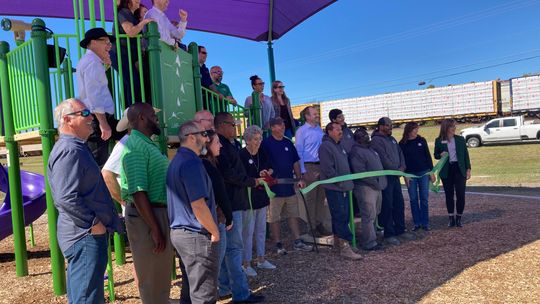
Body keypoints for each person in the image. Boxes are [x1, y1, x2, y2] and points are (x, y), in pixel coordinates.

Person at [48, 98, 122, 303]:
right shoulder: (69, 150)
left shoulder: (76, 148)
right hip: (84, 236)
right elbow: (65, 197)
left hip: (83, 235)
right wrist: (93, 223)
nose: (92, 118)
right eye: (85, 113)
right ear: (67, 120)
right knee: (86, 298)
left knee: (86, 295)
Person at [120, 103, 173, 303]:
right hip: (148, 216)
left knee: (160, 274)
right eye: (153, 115)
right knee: (151, 277)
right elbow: (138, 191)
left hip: (156, 213)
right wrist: (155, 227)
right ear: (142, 118)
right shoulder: (134, 146)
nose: (157, 119)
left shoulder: (147, 144)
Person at [167, 120, 220, 304]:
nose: (207, 139)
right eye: (204, 134)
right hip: (196, 235)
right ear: (191, 137)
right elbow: (198, 204)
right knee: (203, 295)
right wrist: (214, 231)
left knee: (190, 290)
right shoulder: (191, 163)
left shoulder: (177, 161)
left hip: (182, 234)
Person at [215, 112, 265, 303]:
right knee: (234, 249)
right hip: (231, 204)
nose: (236, 127)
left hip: (234, 203)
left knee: (230, 249)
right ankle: (241, 295)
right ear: (221, 125)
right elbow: (229, 174)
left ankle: (226, 287)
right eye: (232, 124)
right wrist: (251, 181)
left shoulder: (229, 144)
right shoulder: (220, 146)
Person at [262, 117, 312, 255]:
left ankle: (297, 241)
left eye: (283, 124)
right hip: (274, 188)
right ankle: (278, 244)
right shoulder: (266, 144)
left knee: (293, 214)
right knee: (274, 217)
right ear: (272, 128)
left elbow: (295, 162)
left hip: (289, 186)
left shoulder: (288, 143)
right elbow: (263, 165)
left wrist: (299, 178)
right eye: (279, 125)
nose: (282, 127)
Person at [77, 27, 123, 167]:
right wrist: (103, 123)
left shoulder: (89, 61)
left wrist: (105, 65)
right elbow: (94, 95)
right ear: (93, 42)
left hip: (94, 116)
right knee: (97, 163)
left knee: (125, 136)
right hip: (97, 118)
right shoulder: (93, 64)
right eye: (106, 42)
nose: (109, 46)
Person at [318, 122, 362, 260]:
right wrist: (340, 182)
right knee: (341, 216)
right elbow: (328, 169)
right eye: (337, 129)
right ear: (329, 131)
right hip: (335, 188)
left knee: (343, 215)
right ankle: (345, 247)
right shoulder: (325, 147)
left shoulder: (339, 146)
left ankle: (339, 243)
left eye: (341, 129)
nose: (340, 131)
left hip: (343, 187)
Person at [371, 117, 414, 246]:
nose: (391, 127)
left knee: (399, 203)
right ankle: (389, 233)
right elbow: (383, 159)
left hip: (396, 176)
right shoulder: (376, 141)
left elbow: (400, 154)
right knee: (387, 205)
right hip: (386, 177)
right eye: (388, 125)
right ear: (381, 126)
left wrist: (402, 168)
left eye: (391, 125)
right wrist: (395, 169)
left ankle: (400, 230)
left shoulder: (392, 139)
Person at [238, 125, 275, 277]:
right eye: (255, 139)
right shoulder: (241, 155)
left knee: (261, 230)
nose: (258, 142)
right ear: (247, 140)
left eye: (259, 138)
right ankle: (246, 263)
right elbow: (241, 177)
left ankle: (261, 259)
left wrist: (267, 172)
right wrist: (255, 179)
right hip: (249, 199)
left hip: (262, 197)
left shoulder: (263, 152)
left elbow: (271, 168)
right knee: (248, 232)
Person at [295, 106, 332, 236]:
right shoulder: (301, 131)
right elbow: (298, 152)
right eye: (314, 114)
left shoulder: (319, 130)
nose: (317, 115)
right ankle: (311, 227)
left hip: (321, 166)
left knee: (321, 197)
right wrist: (303, 171)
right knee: (311, 198)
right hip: (309, 167)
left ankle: (319, 223)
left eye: (317, 113)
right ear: (307, 116)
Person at [349, 127, 386, 251]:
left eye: (366, 135)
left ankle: (373, 238)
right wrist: (374, 182)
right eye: (363, 136)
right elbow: (360, 172)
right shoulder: (356, 152)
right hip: (365, 187)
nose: (367, 137)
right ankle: (368, 242)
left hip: (376, 186)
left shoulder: (369, 149)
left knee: (375, 213)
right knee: (368, 215)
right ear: (357, 139)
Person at [111, 0, 154, 106]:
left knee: (131, 84)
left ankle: (130, 111)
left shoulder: (131, 15)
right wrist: (144, 22)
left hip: (128, 56)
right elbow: (130, 32)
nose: (138, 1)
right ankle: (133, 113)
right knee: (134, 83)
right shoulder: (124, 12)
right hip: (121, 54)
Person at [434, 119, 471, 228]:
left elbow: (465, 155)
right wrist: (440, 154)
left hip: (459, 169)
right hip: (446, 170)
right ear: (446, 128)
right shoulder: (439, 140)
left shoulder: (460, 139)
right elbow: (435, 154)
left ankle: (459, 218)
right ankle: (451, 218)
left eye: (455, 126)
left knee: (460, 195)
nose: (454, 128)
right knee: (449, 195)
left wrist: (468, 168)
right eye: (452, 126)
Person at [399, 122, 435, 231]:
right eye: (415, 129)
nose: (416, 131)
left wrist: (431, 172)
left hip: (424, 172)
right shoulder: (402, 144)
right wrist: (405, 176)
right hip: (410, 175)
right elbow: (402, 161)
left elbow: (428, 157)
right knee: (413, 199)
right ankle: (416, 223)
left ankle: (425, 223)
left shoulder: (421, 140)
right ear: (409, 130)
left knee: (424, 198)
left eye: (417, 129)